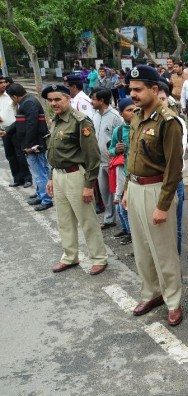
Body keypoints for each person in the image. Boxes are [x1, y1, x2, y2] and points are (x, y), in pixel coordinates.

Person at [122, 65, 184, 327]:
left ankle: (173, 300)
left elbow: (174, 169)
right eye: (131, 90)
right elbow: (132, 156)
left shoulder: (168, 122)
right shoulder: (136, 117)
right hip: (135, 188)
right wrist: (127, 188)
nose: (133, 95)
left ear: (155, 90)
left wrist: (163, 205)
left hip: (157, 190)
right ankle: (151, 293)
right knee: (142, 248)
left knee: (163, 250)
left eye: (138, 90)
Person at [42, 84, 108, 275]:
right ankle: (70, 256)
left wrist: (89, 185)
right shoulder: (56, 120)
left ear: (67, 99)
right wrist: (50, 178)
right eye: (51, 100)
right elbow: (52, 151)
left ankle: (99, 258)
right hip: (59, 174)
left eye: (57, 99)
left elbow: (92, 156)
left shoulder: (80, 121)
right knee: (64, 220)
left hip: (75, 176)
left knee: (87, 220)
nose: (54, 103)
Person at [5, 83, 53, 211]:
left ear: (14, 96)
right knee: (37, 171)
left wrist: (28, 145)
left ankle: (46, 199)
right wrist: (8, 131)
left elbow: (32, 124)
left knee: (40, 173)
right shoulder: (27, 101)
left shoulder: (28, 103)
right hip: (32, 143)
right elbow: (21, 122)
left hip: (34, 144)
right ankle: (40, 194)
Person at [157, 81, 188, 256]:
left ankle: (175, 264)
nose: (160, 102)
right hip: (152, 182)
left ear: (168, 100)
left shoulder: (176, 123)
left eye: (163, 98)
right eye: (157, 98)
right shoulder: (145, 120)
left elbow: (176, 158)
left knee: (173, 226)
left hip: (173, 181)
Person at [90, 88, 124, 229]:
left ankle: (125, 223)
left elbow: (121, 139)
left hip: (113, 162)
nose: (91, 102)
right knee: (105, 193)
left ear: (101, 101)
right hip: (99, 162)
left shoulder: (116, 117)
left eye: (93, 99)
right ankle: (109, 219)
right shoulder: (95, 115)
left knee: (117, 192)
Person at [108, 97, 136, 245]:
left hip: (137, 174)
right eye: (129, 110)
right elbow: (110, 149)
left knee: (129, 207)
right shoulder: (118, 131)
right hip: (123, 173)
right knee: (120, 205)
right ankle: (126, 229)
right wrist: (115, 150)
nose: (132, 113)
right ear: (121, 113)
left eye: (134, 109)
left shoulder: (140, 128)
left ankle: (133, 233)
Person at [0, 75, 32, 188]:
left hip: (15, 128)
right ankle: (17, 179)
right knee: (10, 156)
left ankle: (27, 178)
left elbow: (20, 113)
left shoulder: (11, 96)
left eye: (4, 82)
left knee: (20, 154)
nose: (4, 85)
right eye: (1, 83)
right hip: (3, 131)